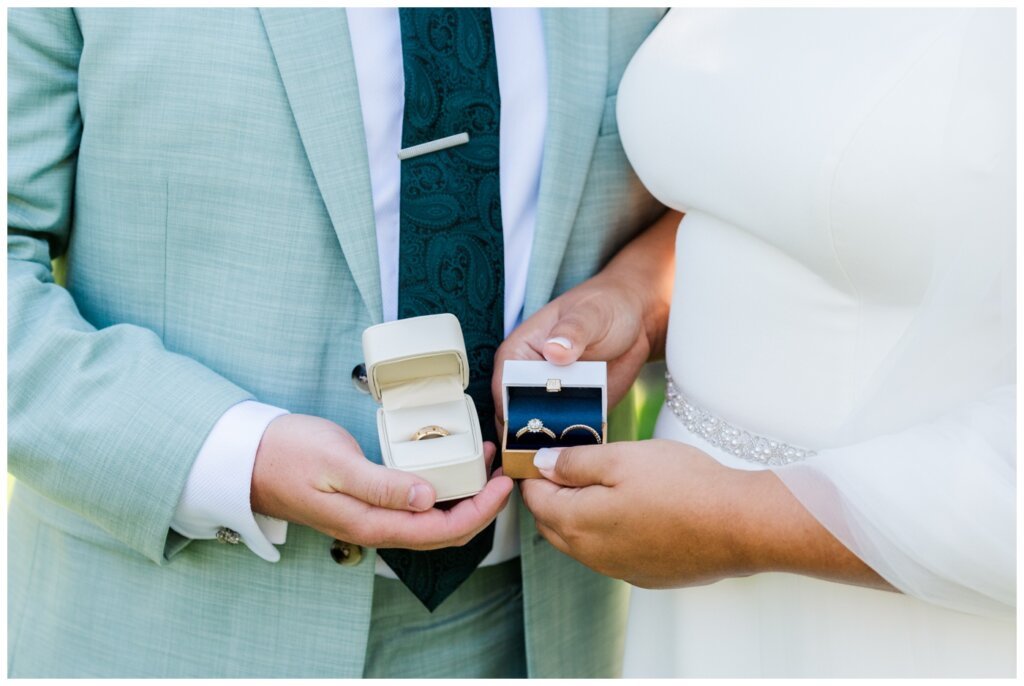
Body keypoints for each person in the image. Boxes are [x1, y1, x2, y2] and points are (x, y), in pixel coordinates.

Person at [7, 8, 668, 677]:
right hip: (164, 624)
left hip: (540, 628)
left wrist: (634, 300)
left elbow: (715, 206)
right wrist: (231, 454)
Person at [500, 7, 1016, 678]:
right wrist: (634, 296)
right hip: (691, 591)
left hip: (901, 608)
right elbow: (780, 188)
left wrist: (740, 521)